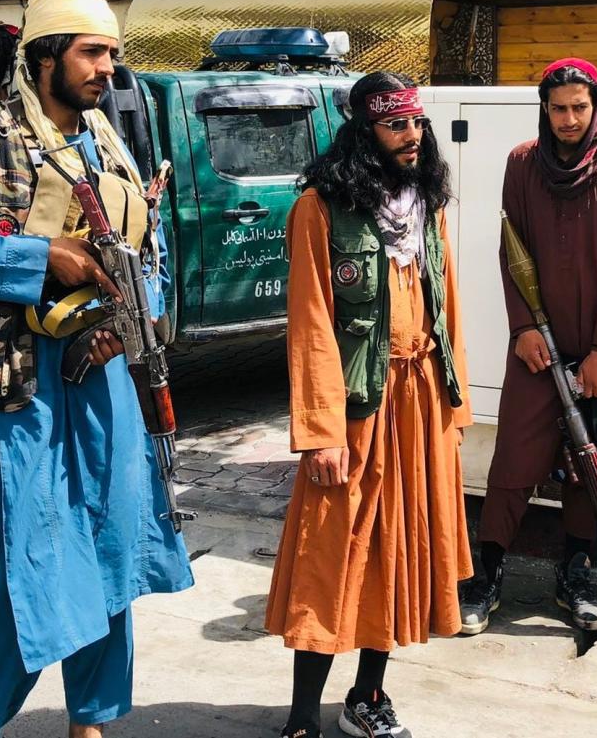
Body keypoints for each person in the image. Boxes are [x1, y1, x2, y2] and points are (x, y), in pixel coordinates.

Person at [0, 0, 193, 738]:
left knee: (112, 552)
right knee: (26, 570)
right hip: (20, 391)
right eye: (93, 53)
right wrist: (37, 257)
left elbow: (143, 247)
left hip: (105, 384)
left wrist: (129, 320)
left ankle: (88, 722)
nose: (107, 69)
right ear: (45, 55)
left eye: (113, 54)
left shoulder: (108, 137)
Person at [264, 71, 473, 738]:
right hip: (357, 409)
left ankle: (368, 696)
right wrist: (321, 431)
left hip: (420, 406)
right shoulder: (319, 208)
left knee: (401, 552)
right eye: (396, 125)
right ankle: (302, 717)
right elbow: (311, 323)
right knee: (333, 556)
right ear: (363, 131)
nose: (412, 136)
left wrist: (456, 407)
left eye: (417, 122)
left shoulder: (425, 203)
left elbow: (449, 308)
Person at [459, 57, 597, 635]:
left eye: (579, 108)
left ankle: (578, 573)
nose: (569, 119)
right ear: (544, 108)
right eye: (558, 107)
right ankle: (486, 572)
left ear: (596, 108)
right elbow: (509, 247)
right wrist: (521, 330)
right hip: (536, 347)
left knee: (594, 464)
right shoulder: (522, 165)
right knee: (514, 456)